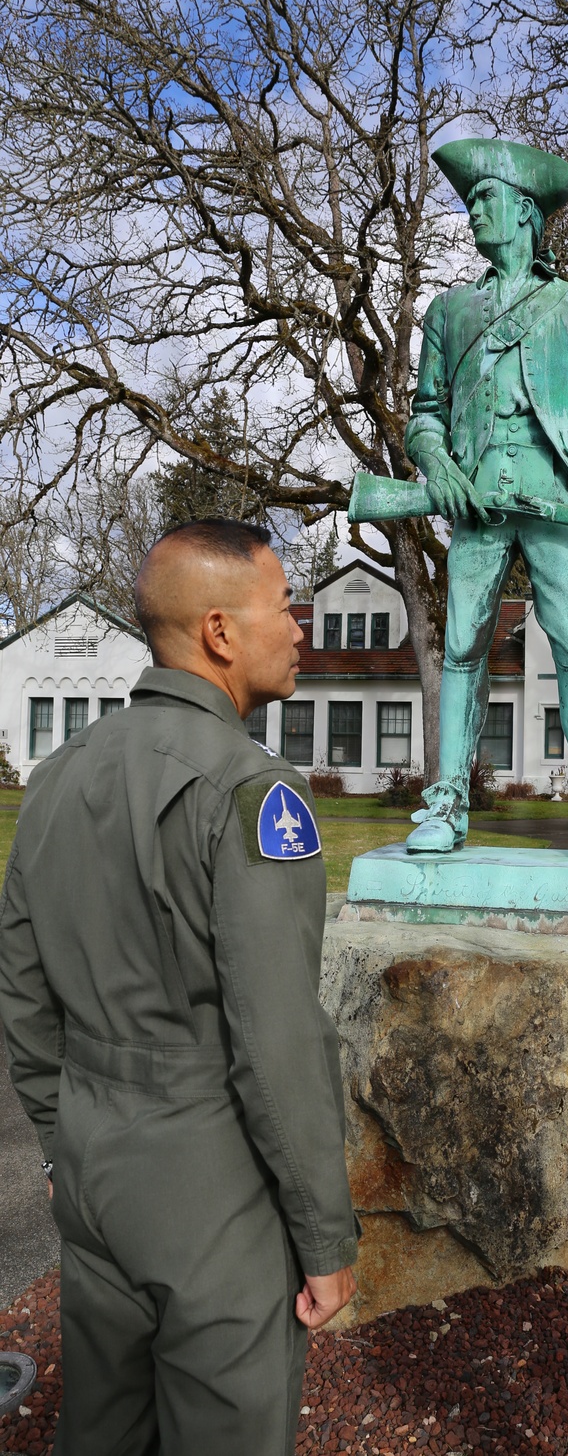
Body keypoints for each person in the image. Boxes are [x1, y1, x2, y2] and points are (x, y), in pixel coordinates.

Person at [0, 519, 358, 1456]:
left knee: (105, 1430)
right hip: (213, 1183)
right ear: (220, 633)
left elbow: (25, 1002)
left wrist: (63, 1139)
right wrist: (325, 1241)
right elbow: (277, 1039)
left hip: (92, 1169)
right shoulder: (253, 789)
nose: (302, 628)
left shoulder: (56, 781)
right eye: (286, 607)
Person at [404, 137, 568, 859]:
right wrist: (438, 467)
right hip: (475, 500)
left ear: (525, 212)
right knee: (461, 647)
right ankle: (446, 800)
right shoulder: (448, 312)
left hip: (552, 498)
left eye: (486, 200)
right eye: (471, 201)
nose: (474, 212)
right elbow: (424, 415)